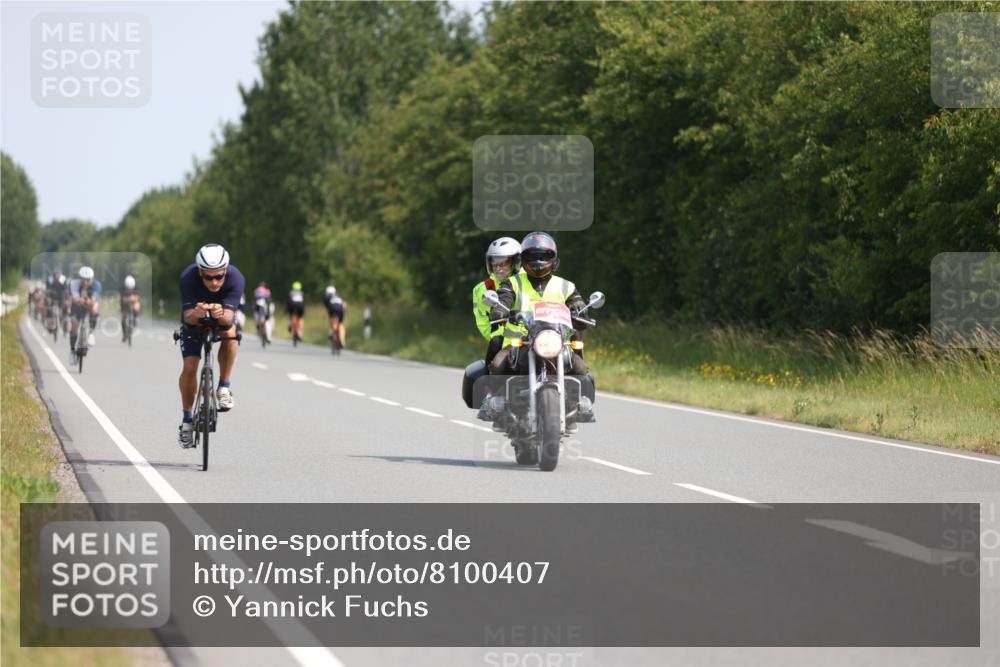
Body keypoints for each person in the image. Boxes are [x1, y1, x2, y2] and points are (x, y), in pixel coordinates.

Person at [487, 232, 595, 411]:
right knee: (498, 364)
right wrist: (500, 310)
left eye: (543, 256)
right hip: (520, 342)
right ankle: (493, 402)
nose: (538, 262)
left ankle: (575, 405)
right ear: (523, 259)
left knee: (581, 368)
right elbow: (504, 298)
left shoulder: (565, 285)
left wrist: (581, 311)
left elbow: (577, 302)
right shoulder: (512, 283)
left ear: (554, 259)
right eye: (532, 256)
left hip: (556, 341)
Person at [177, 244, 245, 448]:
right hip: (194, 323)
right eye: (208, 277)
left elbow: (228, 320)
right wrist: (196, 313)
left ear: (225, 271)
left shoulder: (236, 278)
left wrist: (220, 313)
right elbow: (188, 319)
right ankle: (187, 421)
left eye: (219, 276)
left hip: (221, 321)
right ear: (200, 272)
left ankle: (224, 387)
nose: (214, 282)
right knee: (190, 367)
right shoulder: (188, 277)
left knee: (231, 334)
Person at [473, 237, 523, 367]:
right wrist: (503, 334)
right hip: (504, 338)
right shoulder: (481, 289)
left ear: (516, 262)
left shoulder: (530, 281)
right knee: (495, 342)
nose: (498, 268)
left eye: (503, 263)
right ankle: (489, 383)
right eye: (494, 263)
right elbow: (483, 322)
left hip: (538, 334)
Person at [68, 266, 102, 362]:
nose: (85, 282)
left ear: (92, 279)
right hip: (77, 305)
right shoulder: (74, 284)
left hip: (90, 303)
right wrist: (80, 300)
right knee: (74, 325)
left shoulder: (97, 285)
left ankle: (91, 333)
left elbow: (94, 299)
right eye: (83, 280)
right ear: (80, 279)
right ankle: (72, 350)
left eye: (88, 280)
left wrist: (88, 301)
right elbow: (76, 298)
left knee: (94, 308)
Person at [119, 274, 141, 341]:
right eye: (128, 288)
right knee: (123, 317)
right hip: (124, 302)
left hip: (133, 301)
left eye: (131, 288)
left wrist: (134, 298)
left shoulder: (136, 287)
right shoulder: (122, 288)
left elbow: (138, 297)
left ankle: (135, 317)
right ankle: (124, 333)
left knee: (136, 306)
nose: (129, 289)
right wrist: (128, 299)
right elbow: (122, 299)